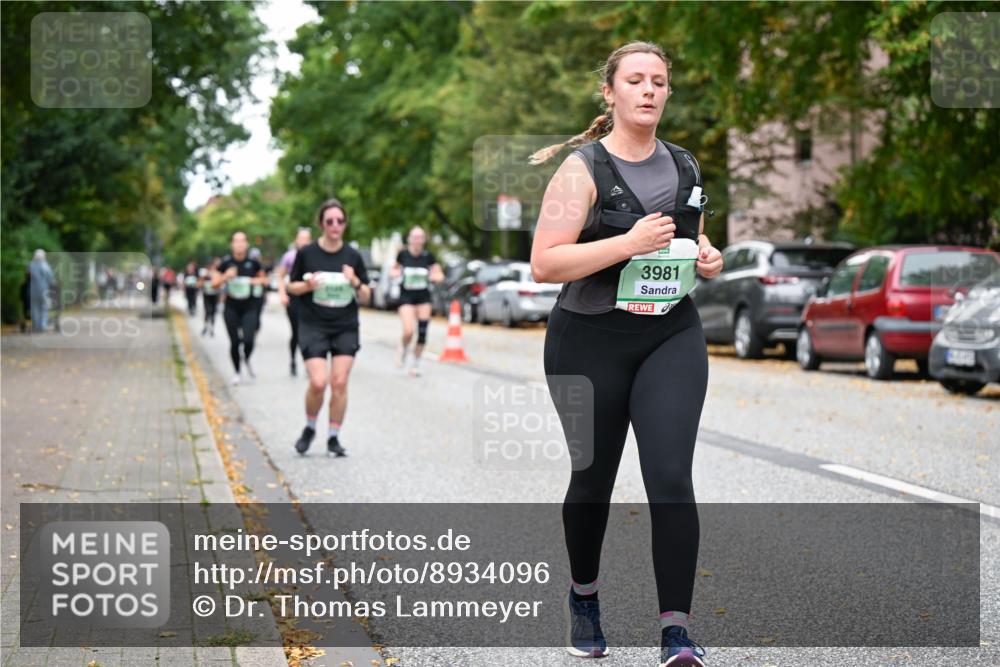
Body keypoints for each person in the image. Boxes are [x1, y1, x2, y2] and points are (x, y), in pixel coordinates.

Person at [529, 42, 723, 667]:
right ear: (610, 93)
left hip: (669, 333)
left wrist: (707, 257)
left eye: (658, 81)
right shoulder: (580, 170)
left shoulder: (685, 165)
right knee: (594, 481)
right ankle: (584, 596)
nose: (648, 90)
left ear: (667, 92)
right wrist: (627, 243)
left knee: (670, 476)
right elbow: (545, 262)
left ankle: (676, 632)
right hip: (588, 342)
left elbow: (688, 239)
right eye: (635, 80)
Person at [287, 199, 370, 457]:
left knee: (340, 381)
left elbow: (366, 295)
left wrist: (355, 281)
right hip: (313, 324)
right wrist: (308, 286)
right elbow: (291, 287)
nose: (335, 225)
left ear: (345, 224)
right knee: (319, 382)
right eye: (330, 221)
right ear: (321, 224)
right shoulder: (307, 254)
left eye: (340, 221)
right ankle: (310, 426)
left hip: (345, 325)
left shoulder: (353, 256)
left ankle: (333, 437)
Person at [212, 233, 267, 385]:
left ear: (247, 244)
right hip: (231, 306)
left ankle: (247, 358)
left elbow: (264, 280)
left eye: (242, 241)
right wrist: (225, 276)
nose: (239, 244)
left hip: (249, 306)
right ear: (232, 244)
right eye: (236, 241)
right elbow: (214, 284)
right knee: (235, 341)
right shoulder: (225, 263)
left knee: (249, 339)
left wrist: (253, 280)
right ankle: (237, 372)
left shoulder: (253, 263)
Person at [391, 226, 444, 376]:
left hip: (423, 297)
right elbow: (393, 270)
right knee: (409, 330)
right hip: (406, 297)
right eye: (414, 237)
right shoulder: (403, 255)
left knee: (422, 332)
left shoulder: (428, 257)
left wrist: (433, 277)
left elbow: (440, 275)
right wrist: (395, 274)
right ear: (409, 239)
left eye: (420, 237)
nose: (417, 241)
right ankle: (403, 346)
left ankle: (415, 363)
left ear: (424, 240)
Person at [277, 227, 313, 376]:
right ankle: (293, 360)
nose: (304, 241)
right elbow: (280, 276)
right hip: (294, 297)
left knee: (310, 331)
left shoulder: (314, 256)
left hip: (310, 297)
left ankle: (309, 363)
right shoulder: (289, 256)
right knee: (297, 332)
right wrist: (282, 294)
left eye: (307, 239)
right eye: (301, 238)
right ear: (296, 240)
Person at [28, 249, 55, 333]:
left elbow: (28, 277)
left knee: (34, 308)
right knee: (44, 307)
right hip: (44, 290)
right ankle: (42, 325)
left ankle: (36, 326)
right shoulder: (45, 265)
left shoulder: (30, 265)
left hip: (33, 290)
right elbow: (50, 278)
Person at [200, 259, 221, 337]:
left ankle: (212, 328)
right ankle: (205, 326)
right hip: (207, 295)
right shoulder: (205, 274)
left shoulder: (218, 274)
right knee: (207, 311)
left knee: (213, 312)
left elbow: (220, 284)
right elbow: (200, 283)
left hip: (215, 295)